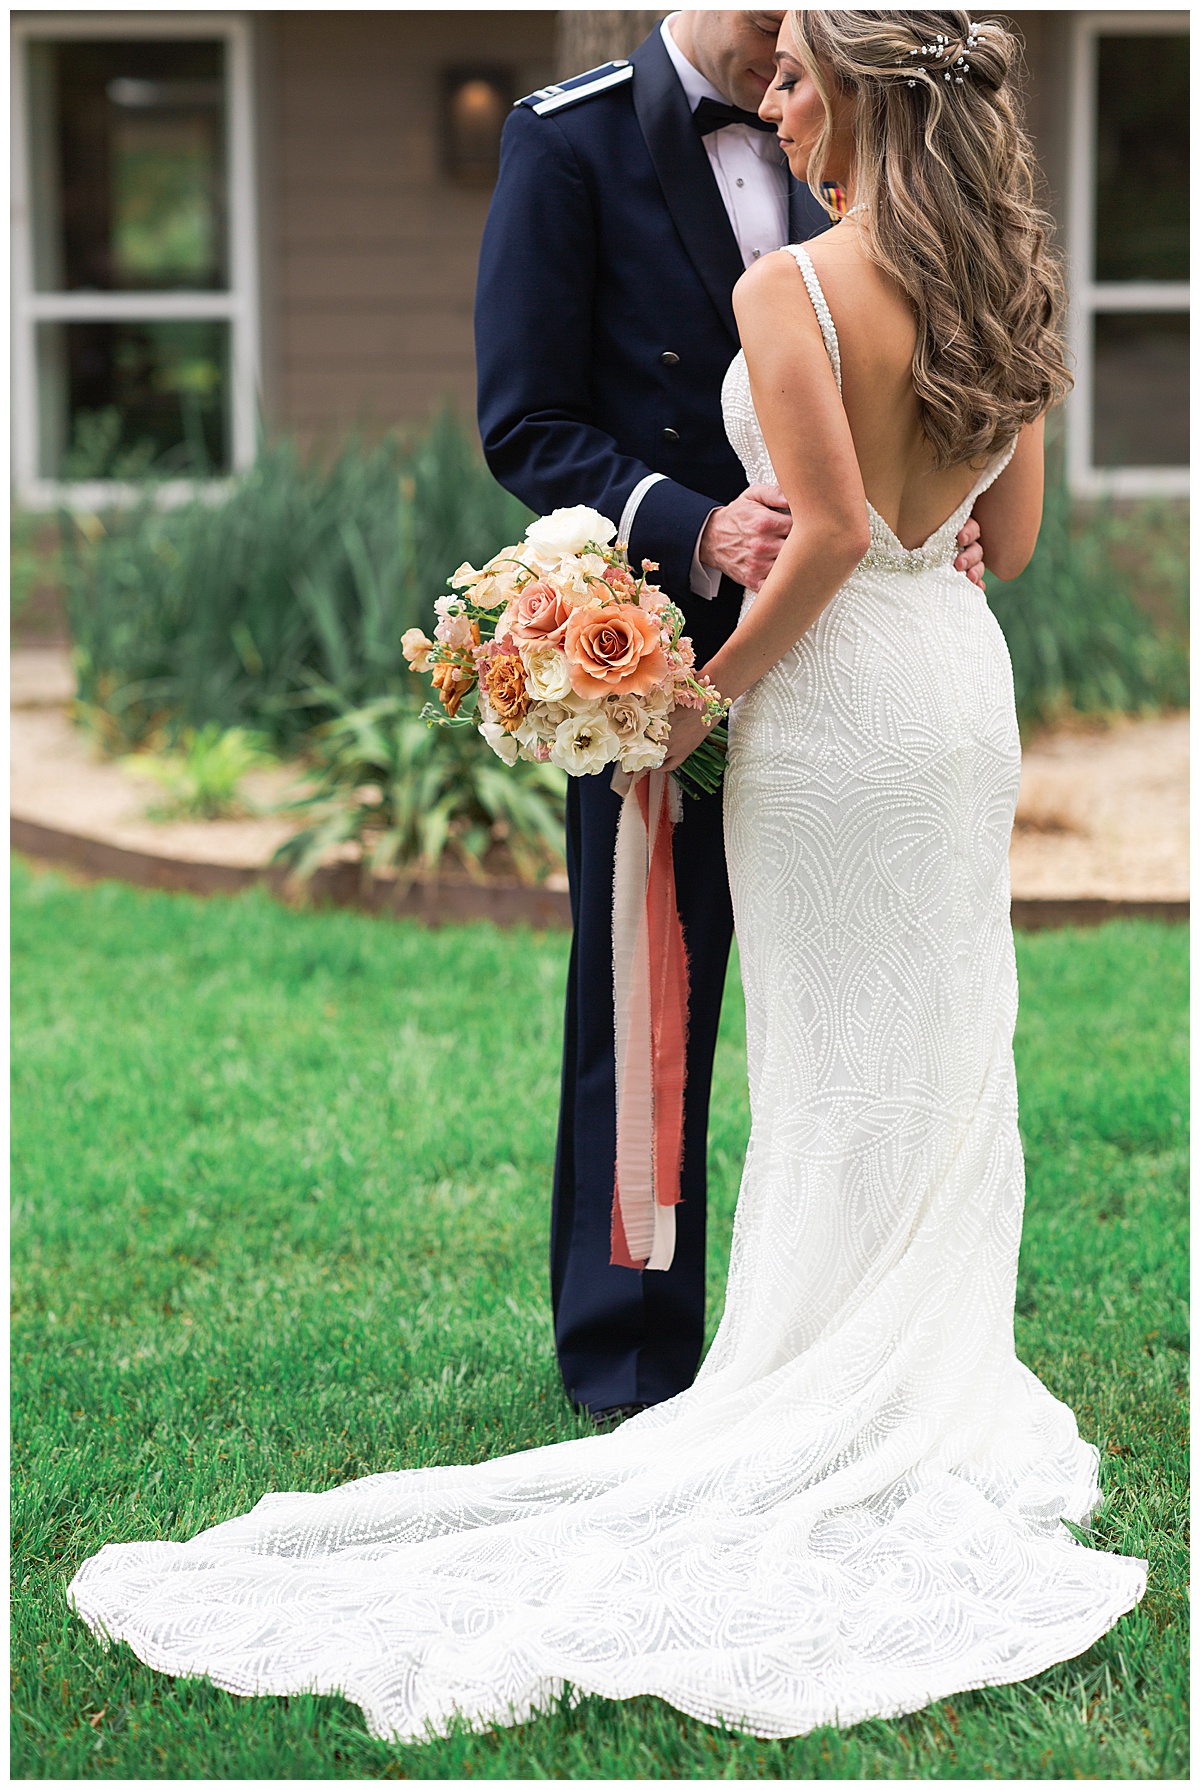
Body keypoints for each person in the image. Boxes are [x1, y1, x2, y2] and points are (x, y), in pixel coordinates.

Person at [68, 10, 1146, 1745]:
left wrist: (701, 702)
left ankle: (801, 1380)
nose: (778, 103)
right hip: (958, 704)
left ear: (859, 91)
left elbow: (837, 537)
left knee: (820, 1056)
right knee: (940, 1047)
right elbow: (995, 550)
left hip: (824, 696)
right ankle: (920, 1372)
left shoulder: (788, 293)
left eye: (803, 77)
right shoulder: (998, 282)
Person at [474, 9, 985, 1422]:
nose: (786, 43)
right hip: (661, 646)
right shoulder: (563, 138)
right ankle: (636, 1365)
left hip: (858, 661)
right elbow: (528, 421)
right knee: (646, 993)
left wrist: (919, 522)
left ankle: (861, 1335)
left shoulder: (866, 122)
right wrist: (705, 530)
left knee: (869, 1011)